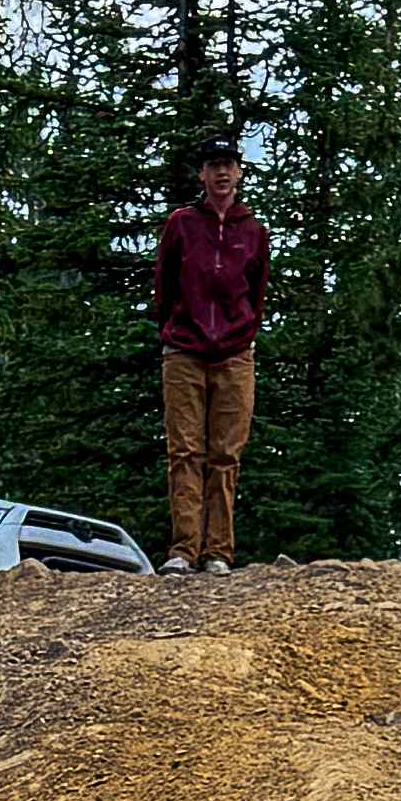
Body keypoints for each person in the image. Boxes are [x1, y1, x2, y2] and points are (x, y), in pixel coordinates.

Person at [152, 134, 270, 572]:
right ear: (201, 174)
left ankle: (218, 551)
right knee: (184, 451)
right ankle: (183, 550)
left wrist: (244, 333)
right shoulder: (182, 224)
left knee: (226, 454)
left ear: (239, 172)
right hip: (183, 351)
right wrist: (172, 329)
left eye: (228, 164)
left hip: (236, 353)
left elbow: (256, 290)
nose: (222, 172)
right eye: (213, 165)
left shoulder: (253, 231)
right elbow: (164, 284)